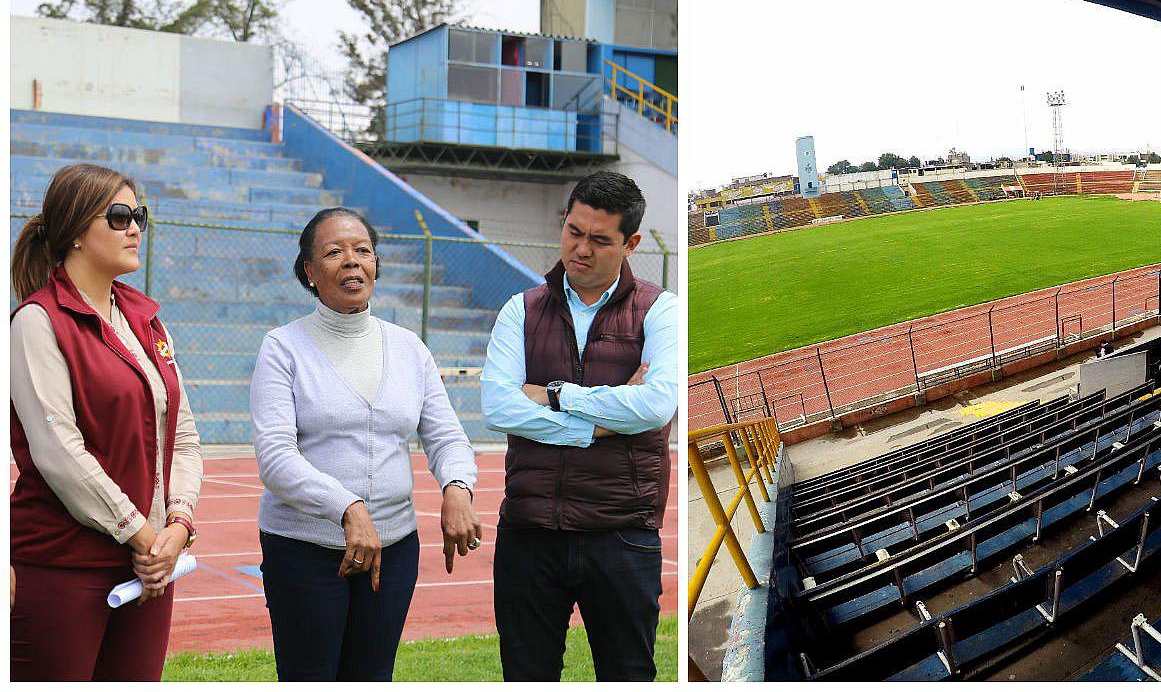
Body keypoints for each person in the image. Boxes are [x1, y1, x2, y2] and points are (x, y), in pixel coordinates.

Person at [249, 207, 480, 681]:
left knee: (373, 676)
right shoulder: (283, 347)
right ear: (310, 272)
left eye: (363, 251)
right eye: (334, 253)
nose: (351, 262)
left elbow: (445, 435)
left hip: (395, 548)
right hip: (305, 550)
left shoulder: (409, 348)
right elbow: (275, 458)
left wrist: (458, 486)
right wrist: (348, 508)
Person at [481, 171, 678, 681]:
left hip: (622, 532)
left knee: (627, 674)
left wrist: (554, 395)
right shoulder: (519, 310)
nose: (581, 249)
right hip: (530, 532)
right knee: (526, 675)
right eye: (574, 231)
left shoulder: (660, 311)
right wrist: (595, 426)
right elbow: (499, 408)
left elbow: (655, 408)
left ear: (631, 243)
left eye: (599, 239)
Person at [10, 164, 203, 681]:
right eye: (119, 216)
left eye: (137, 214)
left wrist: (177, 528)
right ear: (74, 230)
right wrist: (142, 533)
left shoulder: (145, 318)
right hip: (64, 566)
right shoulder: (37, 321)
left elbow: (181, 434)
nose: (135, 227)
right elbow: (57, 452)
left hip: (150, 568)